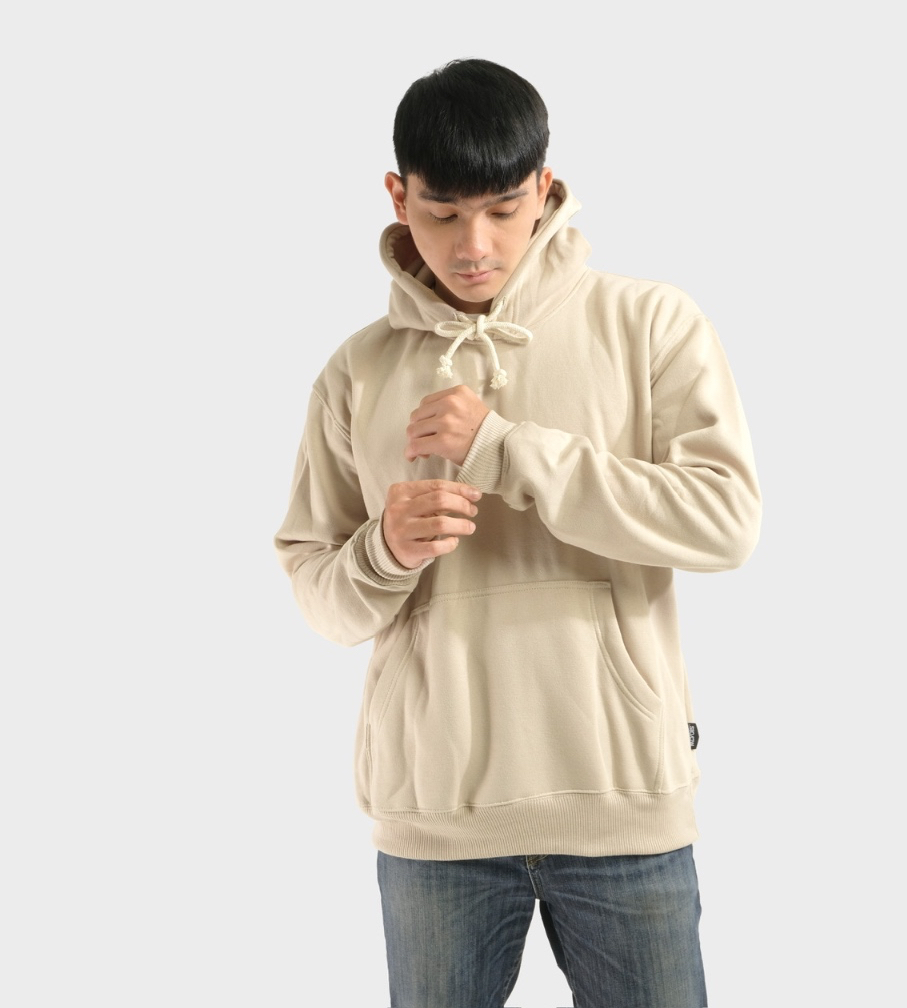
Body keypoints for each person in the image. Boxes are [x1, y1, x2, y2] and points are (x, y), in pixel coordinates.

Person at [274, 57, 761, 1008]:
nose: (475, 245)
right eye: (444, 212)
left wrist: (509, 452)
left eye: (503, 209)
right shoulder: (356, 373)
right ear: (398, 197)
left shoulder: (650, 323)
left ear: (545, 188)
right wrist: (383, 552)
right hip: (436, 822)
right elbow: (317, 593)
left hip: (622, 805)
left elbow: (724, 522)